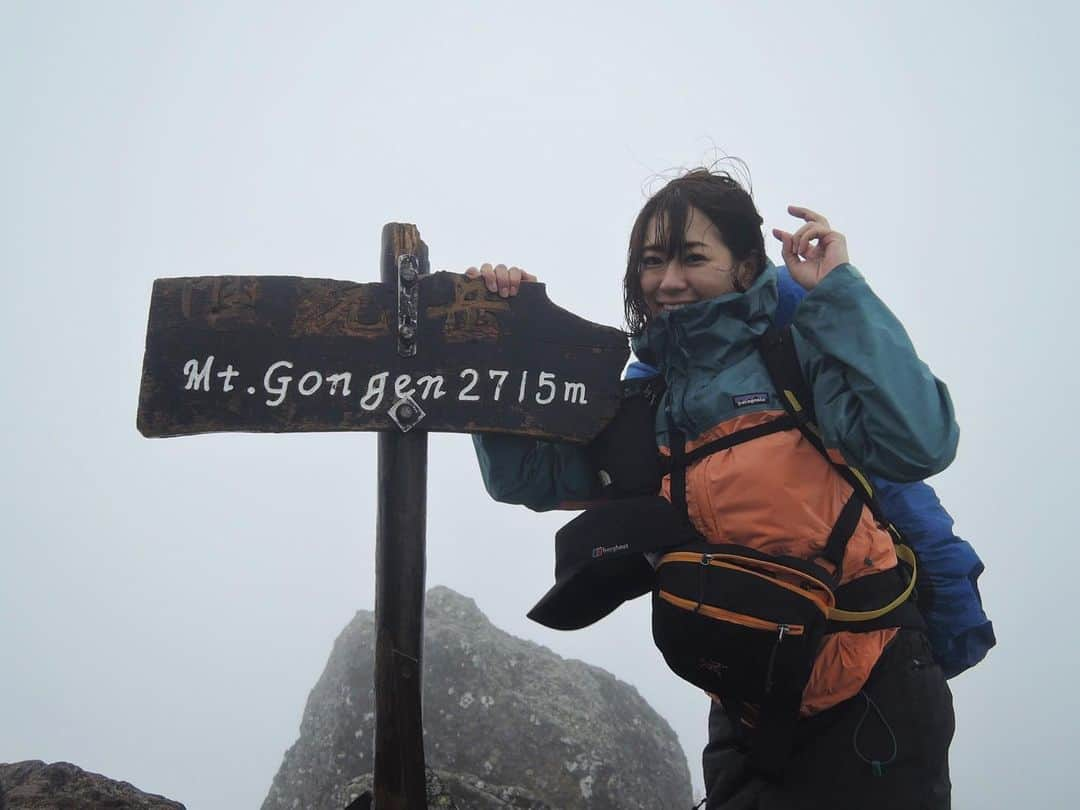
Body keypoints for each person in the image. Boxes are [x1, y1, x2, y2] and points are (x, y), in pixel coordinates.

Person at [467, 168, 960, 809]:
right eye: (651, 262)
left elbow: (920, 440)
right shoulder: (645, 397)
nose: (667, 281)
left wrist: (841, 291)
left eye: (692, 257)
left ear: (745, 263)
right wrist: (501, 338)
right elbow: (522, 478)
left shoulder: (798, 358)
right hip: (747, 710)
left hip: (872, 698)